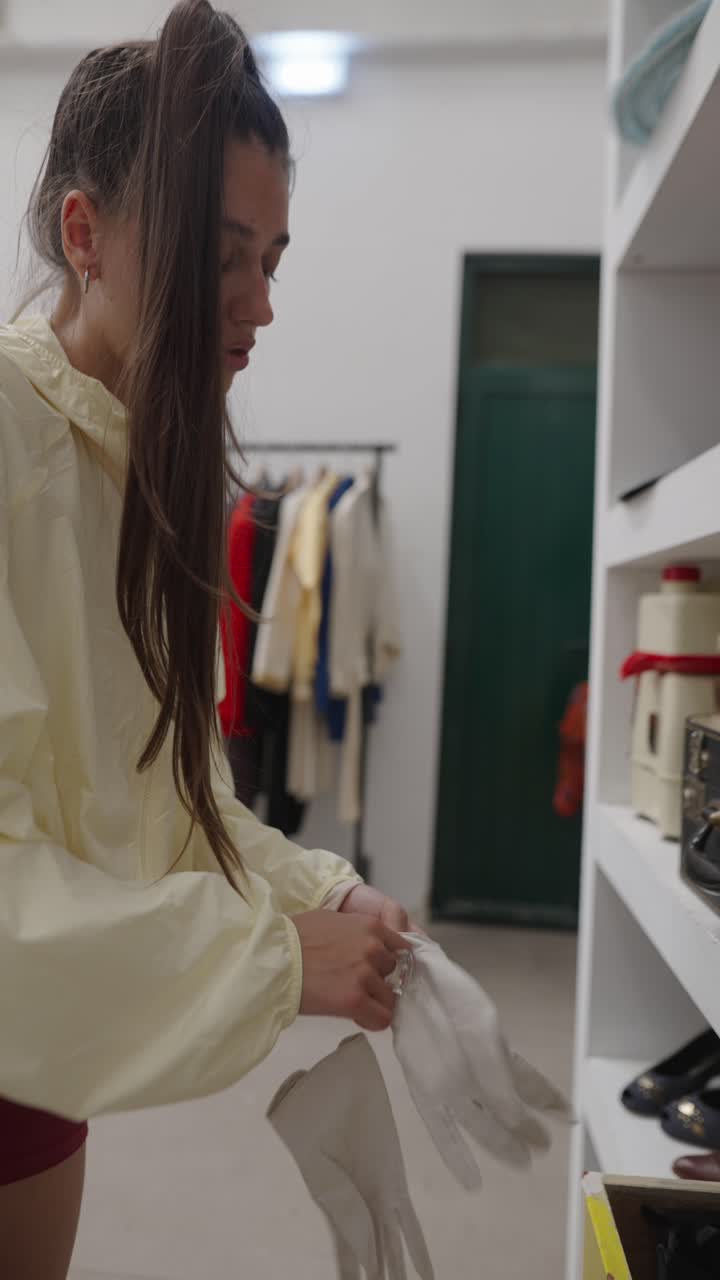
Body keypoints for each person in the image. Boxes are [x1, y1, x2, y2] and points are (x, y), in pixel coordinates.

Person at [0, 4, 415, 1276]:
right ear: (85, 234)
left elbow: (177, 800)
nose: (262, 304)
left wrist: (320, 892)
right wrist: (272, 958)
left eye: (273, 259)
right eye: (224, 256)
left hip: (43, 1049)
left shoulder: (151, 469)